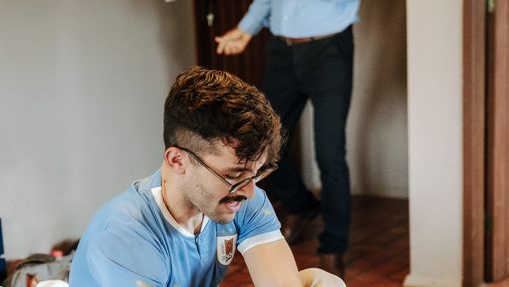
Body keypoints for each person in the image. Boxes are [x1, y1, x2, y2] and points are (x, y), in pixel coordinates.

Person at [215, 0, 376, 279]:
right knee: (258, 149)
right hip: (282, 50)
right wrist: (247, 29)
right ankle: (302, 205)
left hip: (329, 49)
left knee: (330, 153)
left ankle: (334, 246)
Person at [69, 67, 344, 287]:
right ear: (178, 160)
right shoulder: (123, 236)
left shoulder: (242, 196)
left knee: (322, 283)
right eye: (234, 175)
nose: (250, 192)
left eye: (256, 174)